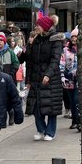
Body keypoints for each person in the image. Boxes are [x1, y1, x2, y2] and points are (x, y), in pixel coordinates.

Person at [20, 11, 64, 141]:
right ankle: (41, 129)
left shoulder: (56, 40)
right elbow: (30, 61)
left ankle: (50, 132)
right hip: (36, 77)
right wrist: (28, 80)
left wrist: (48, 75)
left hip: (51, 78)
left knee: (51, 106)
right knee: (35, 105)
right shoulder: (35, 41)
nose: (35, 28)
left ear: (44, 26)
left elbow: (55, 60)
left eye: (38, 25)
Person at [60, 32, 79, 129]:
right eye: (72, 36)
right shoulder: (66, 49)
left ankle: (79, 120)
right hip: (68, 77)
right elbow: (62, 63)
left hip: (80, 78)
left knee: (77, 99)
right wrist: (62, 75)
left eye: (76, 36)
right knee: (71, 99)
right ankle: (74, 120)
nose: (74, 38)